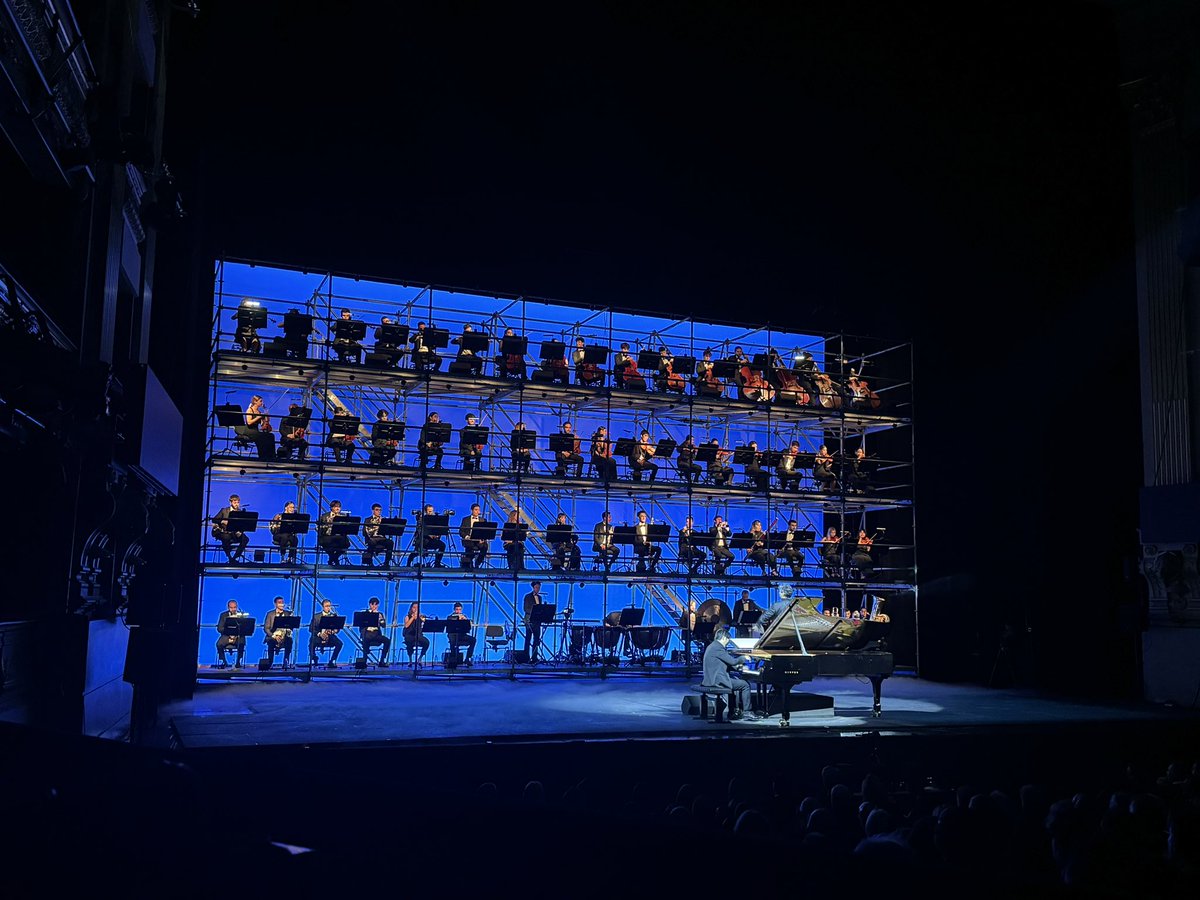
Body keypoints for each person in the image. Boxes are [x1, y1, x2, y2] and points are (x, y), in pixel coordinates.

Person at [702, 626, 756, 720]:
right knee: (745, 685)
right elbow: (733, 661)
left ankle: (733, 712)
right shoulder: (718, 648)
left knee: (735, 683)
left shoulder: (712, 646)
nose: (728, 642)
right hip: (717, 681)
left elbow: (726, 663)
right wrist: (744, 658)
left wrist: (738, 668)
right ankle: (747, 712)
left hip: (710, 679)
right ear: (723, 638)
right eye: (728, 639)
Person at [211, 493, 250, 562]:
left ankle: (235, 557)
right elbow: (214, 519)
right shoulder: (224, 510)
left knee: (245, 539)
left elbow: (242, 525)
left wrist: (240, 532)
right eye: (235, 502)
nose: (236, 504)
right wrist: (222, 521)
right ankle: (229, 557)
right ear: (230, 502)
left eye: (238, 502)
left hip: (234, 532)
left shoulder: (240, 512)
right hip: (223, 532)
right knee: (226, 538)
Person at [237, 394, 276, 460]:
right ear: (255, 401)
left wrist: (266, 415)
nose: (262, 403)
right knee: (261, 437)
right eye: (260, 401)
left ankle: (271, 456)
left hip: (256, 430)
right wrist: (258, 417)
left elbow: (264, 423)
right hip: (249, 430)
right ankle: (262, 456)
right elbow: (249, 422)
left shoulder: (259, 412)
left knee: (271, 436)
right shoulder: (250, 410)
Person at [308, 598, 343, 668]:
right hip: (318, 636)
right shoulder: (316, 616)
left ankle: (332, 660)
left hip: (330, 636)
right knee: (311, 643)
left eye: (329, 606)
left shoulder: (334, 616)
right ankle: (314, 658)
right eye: (326, 606)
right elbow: (311, 628)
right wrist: (319, 634)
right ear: (323, 607)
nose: (328, 608)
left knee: (339, 643)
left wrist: (333, 631)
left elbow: (337, 628)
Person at [263, 595, 294, 668]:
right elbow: (266, 628)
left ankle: (286, 662)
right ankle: (270, 663)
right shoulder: (270, 614)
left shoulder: (287, 613)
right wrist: (274, 636)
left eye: (282, 602)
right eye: (279, 602)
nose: (282, 604)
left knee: (289, 641)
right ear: (275, 604)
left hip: (284, 636)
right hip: (273, 636)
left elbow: (291, 626)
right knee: (270, 642)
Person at [317, 499, 350, 566]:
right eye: (336, 506)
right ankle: (334, 558)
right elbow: (318, 527)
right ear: (331, 507)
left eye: (339, 507)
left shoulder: (343, 516)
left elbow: (347, 528)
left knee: (346, 543)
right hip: (327, 536)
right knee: (325, 543)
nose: (338, 508)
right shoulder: (324, 516)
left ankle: (333, 558)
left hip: (339, 536)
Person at [215, 599, 247, 668]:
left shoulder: (241, 615)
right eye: (231, 608)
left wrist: (236, 634)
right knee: (218, 644)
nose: (233, 609)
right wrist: (228, 632)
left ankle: (238, 662)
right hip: (226, 636)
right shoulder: (223, 615)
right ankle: (223, 661)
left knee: (242, 643)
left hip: (238, 636)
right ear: (228, 607)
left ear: (237, 607)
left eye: (235, 607)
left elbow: (244, 628)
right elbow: (219, 628)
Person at [360, 596, 391, 666]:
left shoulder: (380, 614)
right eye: (373, 604)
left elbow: (383, 625)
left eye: (376, 604)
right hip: (367, 633)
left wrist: (381, 619)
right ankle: (364, 660)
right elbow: (361, 625)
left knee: (387, 641)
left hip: (376, 634)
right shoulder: (365, 613)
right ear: (370, 605)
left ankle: (382, 660)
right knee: (366, 640)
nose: (374, 606)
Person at [362, 502, 394, 567]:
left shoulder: (383, 519)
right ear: (373, 510)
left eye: (380, 510)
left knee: (390, 542)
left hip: (382, 538)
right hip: (372, 537)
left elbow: (388, 531)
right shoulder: (368, 519)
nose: (379, 512)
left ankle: (386, 562)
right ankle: (370, 562)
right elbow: (364, 532)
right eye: (377, 510)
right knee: (372, 542)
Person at [522, 581, 547, 663]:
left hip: (537, 621)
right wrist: (534, 611)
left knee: (536, 640)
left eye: (539, 588)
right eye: (536, 587)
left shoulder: (539, 597)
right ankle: (526, 657)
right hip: (529, 620)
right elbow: (526, 608)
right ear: (533, 588)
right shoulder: (527, 596)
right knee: (528, 639)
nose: (538, 589)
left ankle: (534, 657)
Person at [459, 503, 488, 569]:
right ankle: (470, 563)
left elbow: (486, 532)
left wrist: (483, 539)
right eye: (476, 510)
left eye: (478, 510)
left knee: (485, 546)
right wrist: (466, 537)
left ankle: (478, 562)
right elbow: (461, 531)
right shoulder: (465, 519)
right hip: (469, 540)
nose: (478, 511)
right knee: (469, 546)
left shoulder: (483, 520)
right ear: (472, 510)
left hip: (479, 540)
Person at [447, 601, 477, 665]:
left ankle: (468, 658)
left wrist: (466, 621)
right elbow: (449, 627)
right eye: (457, 609)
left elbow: (468, 628)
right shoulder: (450, 617)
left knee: (473, 640)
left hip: (462, 635)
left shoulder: (464, 616)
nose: (458, 611)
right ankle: (453, 659)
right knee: (452, 641)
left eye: (460, 609)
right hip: (453, 635)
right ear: (454, 609)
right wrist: (457, 619)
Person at [632, 509, 661, 573]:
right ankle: (641, 566)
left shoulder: (649, 527)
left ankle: (652, 566)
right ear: (639, 517)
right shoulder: (635, 527)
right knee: (642, 550)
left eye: (645, 516)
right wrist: (642, 542)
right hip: (639, 546)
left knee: (659, 549)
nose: (643, 517)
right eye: (642, 516)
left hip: (648, 545)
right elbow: (634, 541)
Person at [401, 601, 428, 665]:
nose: (415, 609)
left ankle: (420, 658)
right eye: (414, 607)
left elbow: (424, 626)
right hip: (409, 635)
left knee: (426, 642)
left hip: (418, 635)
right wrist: (413, 617)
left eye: (417, 608)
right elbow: (406, 625)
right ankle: (410, 660)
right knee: (409, 642)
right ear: (411, 608)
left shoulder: (421, 617)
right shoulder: (407, 617)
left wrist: (422, 620)